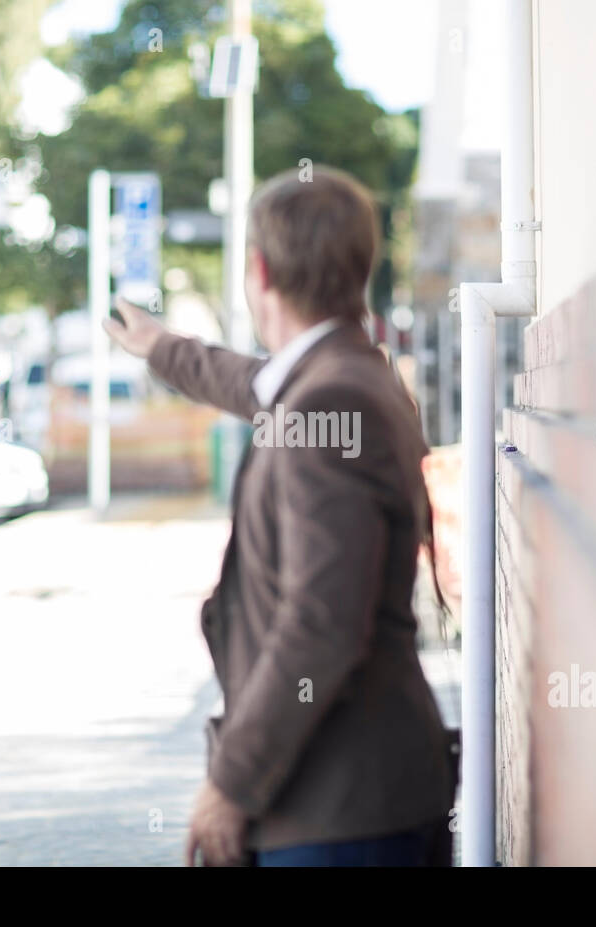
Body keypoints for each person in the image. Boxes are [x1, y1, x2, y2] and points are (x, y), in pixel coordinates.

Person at [106, 166, 456, 866]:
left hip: (338, 814)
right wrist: (165, 349)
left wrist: (230, 784)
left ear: (259, 270)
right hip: (355, 803)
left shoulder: (329, 402)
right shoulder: (348, 376)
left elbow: (320, 623)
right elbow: (260, 386)